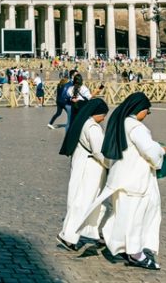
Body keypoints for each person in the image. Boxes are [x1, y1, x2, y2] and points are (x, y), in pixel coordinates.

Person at [89, 92, 166, 270]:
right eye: (147, 111)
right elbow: (149, 151)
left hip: (121, 176)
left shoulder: (121, 122)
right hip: (135, 179)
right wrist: (161, 151)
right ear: (140, 110)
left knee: (124, 214)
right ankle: (135, 253)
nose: (147, 115)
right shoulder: (136, 127)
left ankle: (119, 243)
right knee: (136, 217)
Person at [57, 98, 110, 251]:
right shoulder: (93, 127)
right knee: (85, 202)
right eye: (103, 115)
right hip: (91, 168)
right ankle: (68, 236)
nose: (104, 118)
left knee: (92, 202)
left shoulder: (83, 122)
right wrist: (111, 165)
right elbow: (99, 152)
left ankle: (99, 232)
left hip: (82, 164)